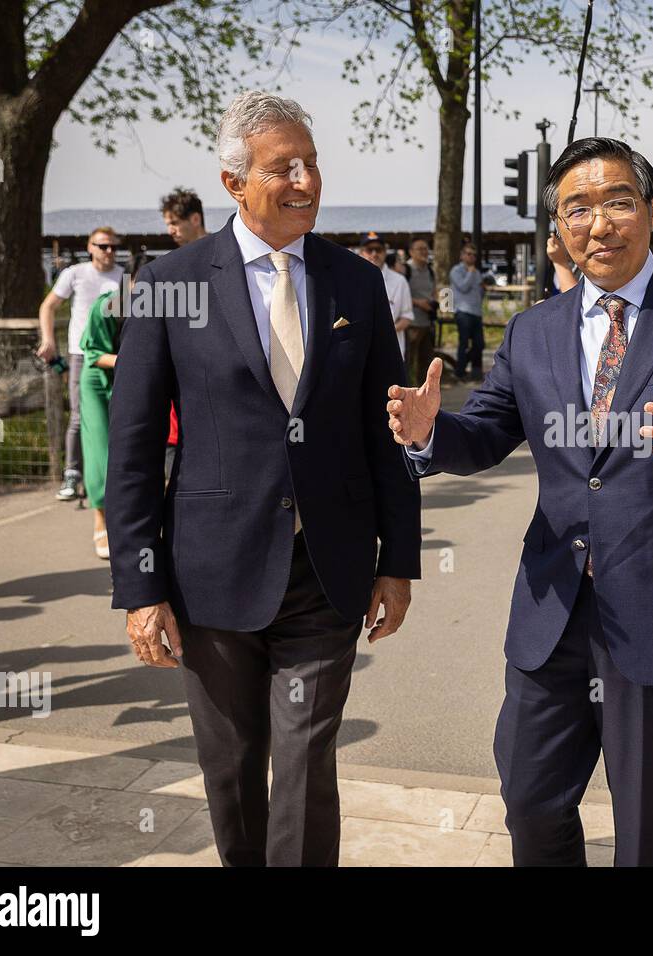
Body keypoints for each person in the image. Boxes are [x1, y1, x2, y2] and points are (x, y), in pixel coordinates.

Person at [387, 136, 653, 866]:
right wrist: (430, 434)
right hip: (553, 606)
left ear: (650, 210)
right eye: (575, 208)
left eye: (617, 201)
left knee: (648, 829)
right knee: (528, 799)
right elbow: (487, 432)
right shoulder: (533, 331)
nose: (597, 223)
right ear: (556, 228)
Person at [105, 90, 421, 867]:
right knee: (232, 767)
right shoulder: (170, 284)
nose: (307, 180)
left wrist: (399, 560)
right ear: (232, 182)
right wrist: (140, 587)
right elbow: (135, 449)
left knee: (308, 761)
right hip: (211, 574)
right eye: (285, 167)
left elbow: (389, 435)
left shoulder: (357, 283)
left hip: (329, 569)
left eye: (313, 164)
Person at [38, 227, 124, 502]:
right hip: (82, 353)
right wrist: (49, 340)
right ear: (90, 247)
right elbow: (48, 306)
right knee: (79, 415)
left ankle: (107, 474)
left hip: (114, 355)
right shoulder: (74, 273)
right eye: (102, 246)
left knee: (112, 418)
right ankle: (72, 474)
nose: (108, 251)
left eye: (112, 247)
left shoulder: (123, 276)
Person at [160, 188, 209, 480]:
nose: (170, 230)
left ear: (195, 219)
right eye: (167, 223)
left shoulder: (229, 258)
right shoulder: (173, 269)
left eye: (175, 222)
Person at [78, 285, 125, 559]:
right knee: (100, 452)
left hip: (126, 378)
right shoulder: (106, 306)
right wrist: (135, 361)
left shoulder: (161, 304)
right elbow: (93, 354)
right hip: (97, 381)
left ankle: (123, 522)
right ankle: (100, 517)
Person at [359, 232, 414, 360]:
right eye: (369, 250)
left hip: (390, 350)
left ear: (385, 252)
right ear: (362, 252)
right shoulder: (351, 280)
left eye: (378, 249)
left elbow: (407, 317)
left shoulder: (400, 281)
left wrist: (383, 333)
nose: (374, 254)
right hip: (361, 351)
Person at [449, 243, 488, 381]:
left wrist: (483, 288)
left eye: (474, 254)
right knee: (464, 343)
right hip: (463, 311)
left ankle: (467, 369)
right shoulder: (456, 271)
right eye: (468, 254)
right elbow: (464, 287)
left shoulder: (477, 272)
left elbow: (480, 291)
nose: (471, 257)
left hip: (476, 312)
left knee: (480, 344)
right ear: (462, 255)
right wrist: (471, 273)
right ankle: (460, 372)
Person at [403, 237, 437, 385]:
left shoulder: (430, 270)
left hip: (427, 323)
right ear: (411, 252)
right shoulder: (406, 270)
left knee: (426, 363)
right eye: (420, 249)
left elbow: (434, 291)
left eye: (426, 248)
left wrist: (433, 302)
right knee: (408, 362)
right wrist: (418, 303)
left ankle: (424, 394)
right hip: (411, 324)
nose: (424, 252)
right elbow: (398, 297)